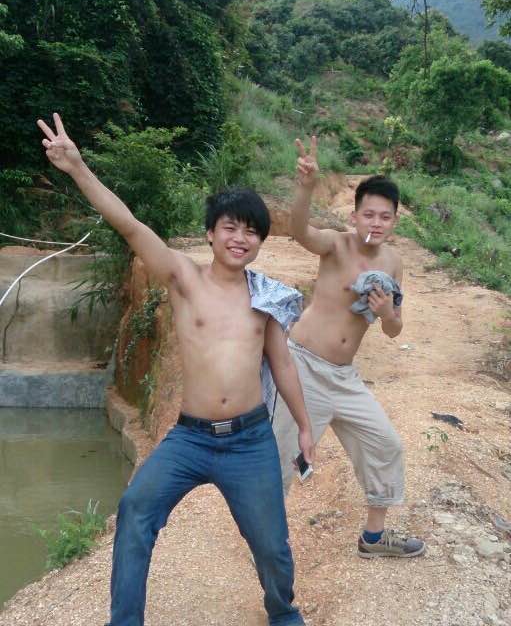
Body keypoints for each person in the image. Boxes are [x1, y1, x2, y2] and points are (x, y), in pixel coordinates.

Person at [37, 113, 314, 626]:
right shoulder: (183, 279)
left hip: (250, 440)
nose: (241, 238)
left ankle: (282, 613)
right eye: (230, 227)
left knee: (271, 544)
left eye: (252, 231)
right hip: (190, 438)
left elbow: (283, 365)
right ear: (210, 234)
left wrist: (303, 427)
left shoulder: (265, 298)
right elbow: (129, 225)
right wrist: (77, 168)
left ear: (260, 242)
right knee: (136, 512)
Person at [272, 135, 425, 559]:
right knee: (282, 457)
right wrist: (305, 187)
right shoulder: (336, 244)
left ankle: (373, 538)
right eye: (368, 214)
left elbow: (393, 329)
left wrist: (387, 313)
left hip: (344, 377)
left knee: (385, 444)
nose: (376, 223)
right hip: (303, 368)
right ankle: (267, 540)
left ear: (395, 221)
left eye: (385, 217)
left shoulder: (393, 263)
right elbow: (299, 231)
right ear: (354, 216)